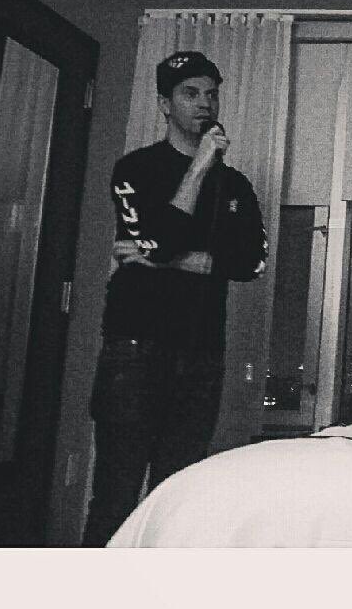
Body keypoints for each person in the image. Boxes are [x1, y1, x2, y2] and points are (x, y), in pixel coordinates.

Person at [80, 51, 267, 546]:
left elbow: (252, 263)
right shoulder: (135, 170)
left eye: (211, 94)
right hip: (135, 350)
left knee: (178, 497)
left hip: (202, 353)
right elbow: (162, 240)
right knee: (117, 495)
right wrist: (200, 166)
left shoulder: (237, 186)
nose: (204, 103)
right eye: (190, 93)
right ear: (165, 104)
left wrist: (174, 259)